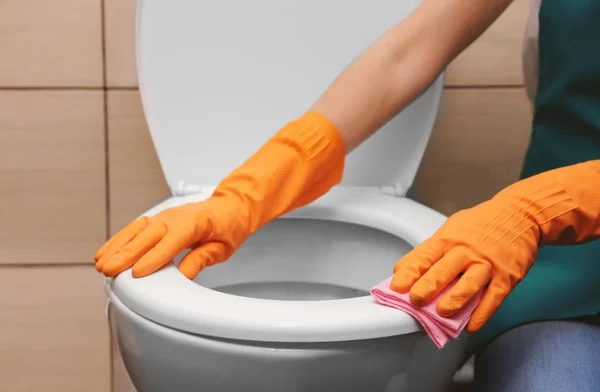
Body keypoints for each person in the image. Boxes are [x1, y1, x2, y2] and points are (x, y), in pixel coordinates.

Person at [95, 0, 600, 390]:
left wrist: (546, 206)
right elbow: (405, 55)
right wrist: (247, 192)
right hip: (566, 274)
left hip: (547, 223)